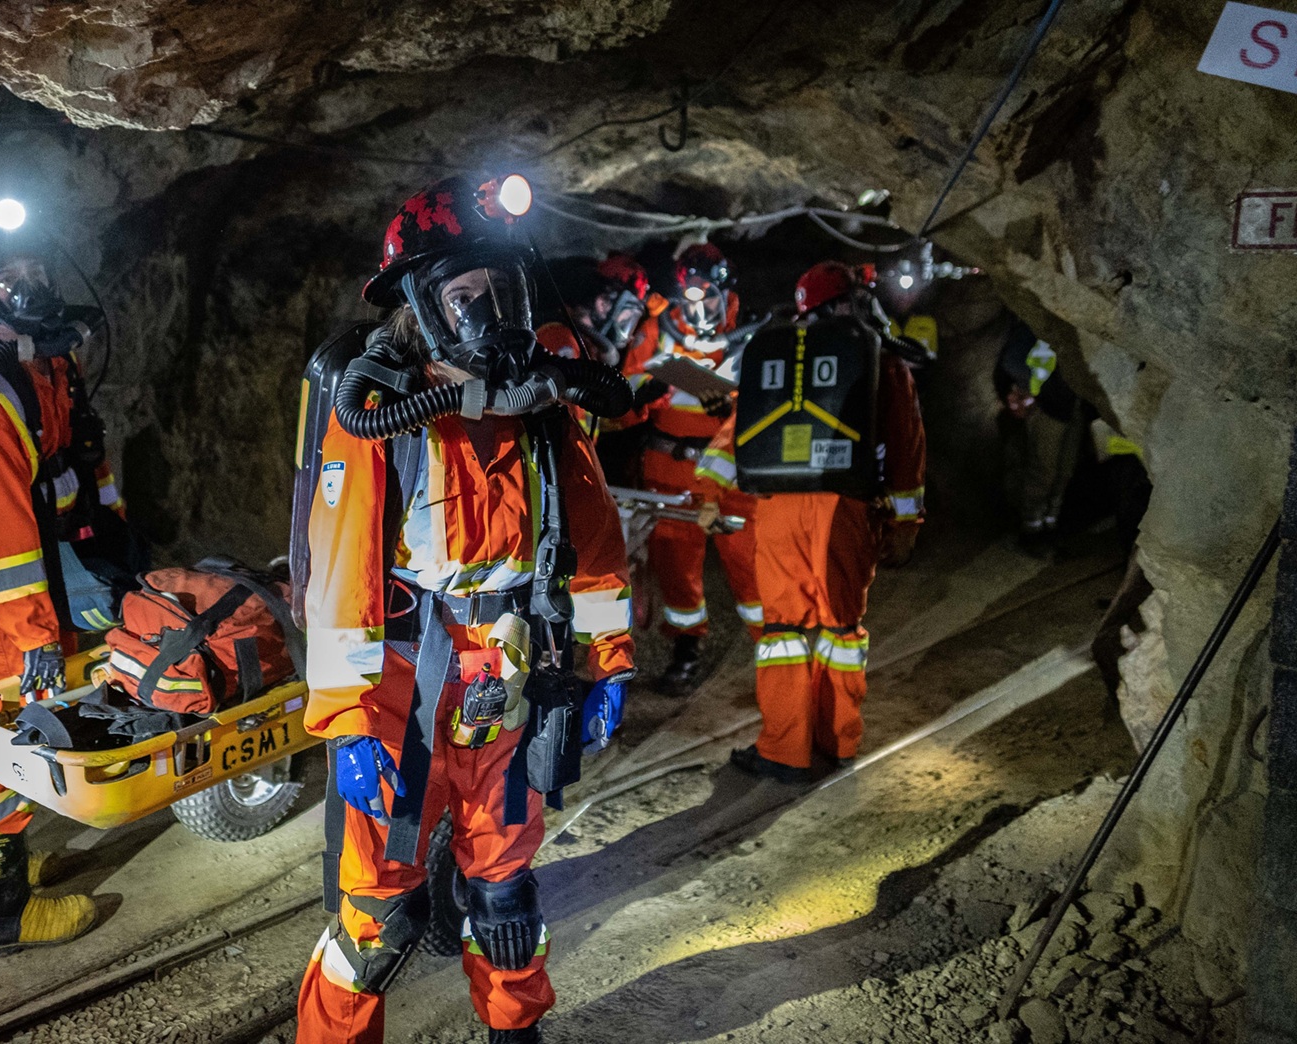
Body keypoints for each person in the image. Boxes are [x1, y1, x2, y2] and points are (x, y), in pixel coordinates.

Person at [296, 175, 635, 1044]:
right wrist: (345, 724)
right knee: (373, 924)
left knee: (507, 894)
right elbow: (338, 581)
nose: (491, 312)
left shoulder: (545, 413)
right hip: (405, 692)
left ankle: (514, 1031)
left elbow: (592, 545)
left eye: (502, 290)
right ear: (422, 305)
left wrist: (605, 663)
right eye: (465, 295)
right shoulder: (381, 413)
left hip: (510, 682)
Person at [0, 209, 127, 955]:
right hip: (0, 601)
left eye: (37, 272)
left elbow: (77, 459)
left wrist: (115, 537)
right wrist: (34, 635)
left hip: (50, 575)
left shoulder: (48, 360)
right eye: (10, 279)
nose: (30, 288)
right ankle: (3, 913)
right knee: (5, 741)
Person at [698, 260, 925, 782]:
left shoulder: (776, 358)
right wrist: (906, 522)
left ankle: (785, 751)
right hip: (843, 509)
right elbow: (906, 446)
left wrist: (710, 493)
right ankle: (834, 742)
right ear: (848, 304)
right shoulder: (880, 360)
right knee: (838, 630)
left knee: (785, 631)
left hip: (779, 509)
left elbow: (739, 431)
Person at [621, 243, 762, 693]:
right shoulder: (656, 331)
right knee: (676, 565)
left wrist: (730, 409)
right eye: (691, 298)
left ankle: (777, 650)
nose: (700, 309)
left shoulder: (752, 339)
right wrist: (652, 391)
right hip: (669, 466)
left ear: (727, 294)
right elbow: (625, 392)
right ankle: (686, 651)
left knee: (751, 561)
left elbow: (767, 405)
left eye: (710, 297)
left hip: (730, 472)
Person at [993, 320, 1085, 550]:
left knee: (1065, 470)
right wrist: (1035, 389)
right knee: (1044, 470)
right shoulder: (1035, 326)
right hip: (1049, 408)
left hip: (1073, 405)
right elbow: (1011, 362)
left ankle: (1050, 525)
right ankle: (1031, 530)